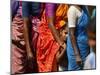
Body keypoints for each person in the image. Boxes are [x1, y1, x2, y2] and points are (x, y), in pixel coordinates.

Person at [36, 3, 68, 72]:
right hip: (48, 37)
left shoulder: (65, 4)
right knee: (48, 66)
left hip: (60, 34)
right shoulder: (51, 4)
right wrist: (61, 43)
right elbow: (51, 24)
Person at [67, 5, 90, 70]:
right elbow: (71, 34)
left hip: (84, 47)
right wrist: (77, 55)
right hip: (75, 49)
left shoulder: (85, 7)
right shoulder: (72, 10)